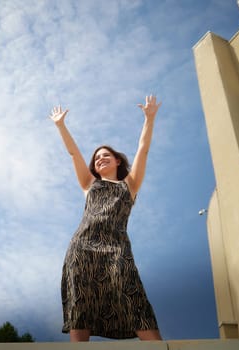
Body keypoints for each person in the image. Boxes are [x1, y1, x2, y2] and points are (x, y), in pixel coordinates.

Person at [50, 95, 163, 342]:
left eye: (105, 155)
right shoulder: (89, 184)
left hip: (116, 249)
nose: (100, 158)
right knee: (80, 305)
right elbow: (73, 153)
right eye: (97, 158)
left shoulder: (130, 185)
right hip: (82, 249)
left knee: (134, 299)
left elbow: (143, 149)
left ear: (117, 161)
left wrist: (149, 119)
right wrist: (61, 126)